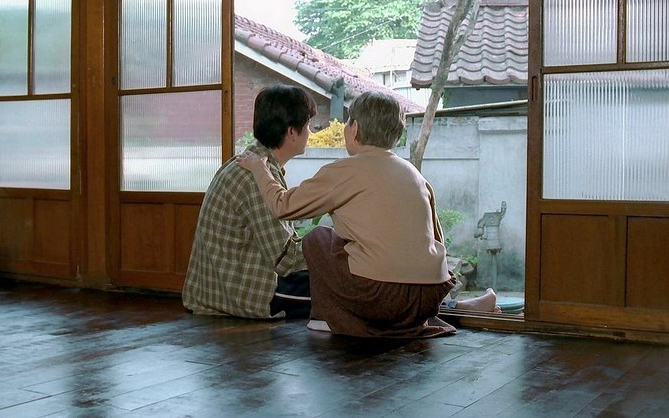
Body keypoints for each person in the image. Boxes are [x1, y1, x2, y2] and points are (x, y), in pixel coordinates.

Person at [236, 91, 498, 338]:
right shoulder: (415, 175)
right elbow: (437, 239)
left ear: (356, 128)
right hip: (427, 300)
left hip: (379, 297)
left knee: (318, 239)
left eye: (348, 121)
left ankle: (328, 318)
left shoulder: (343, 171)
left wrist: (259, 168)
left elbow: (282, 206)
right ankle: (454, 310)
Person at [182, 85, 317, 319]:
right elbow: (285, 259)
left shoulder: (252, 162)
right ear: (291, 132)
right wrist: (334, 248)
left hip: (223, 288)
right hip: (249, 293)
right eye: (307, 126)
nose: (310, 132)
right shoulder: (255, 175)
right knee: (342, 290)